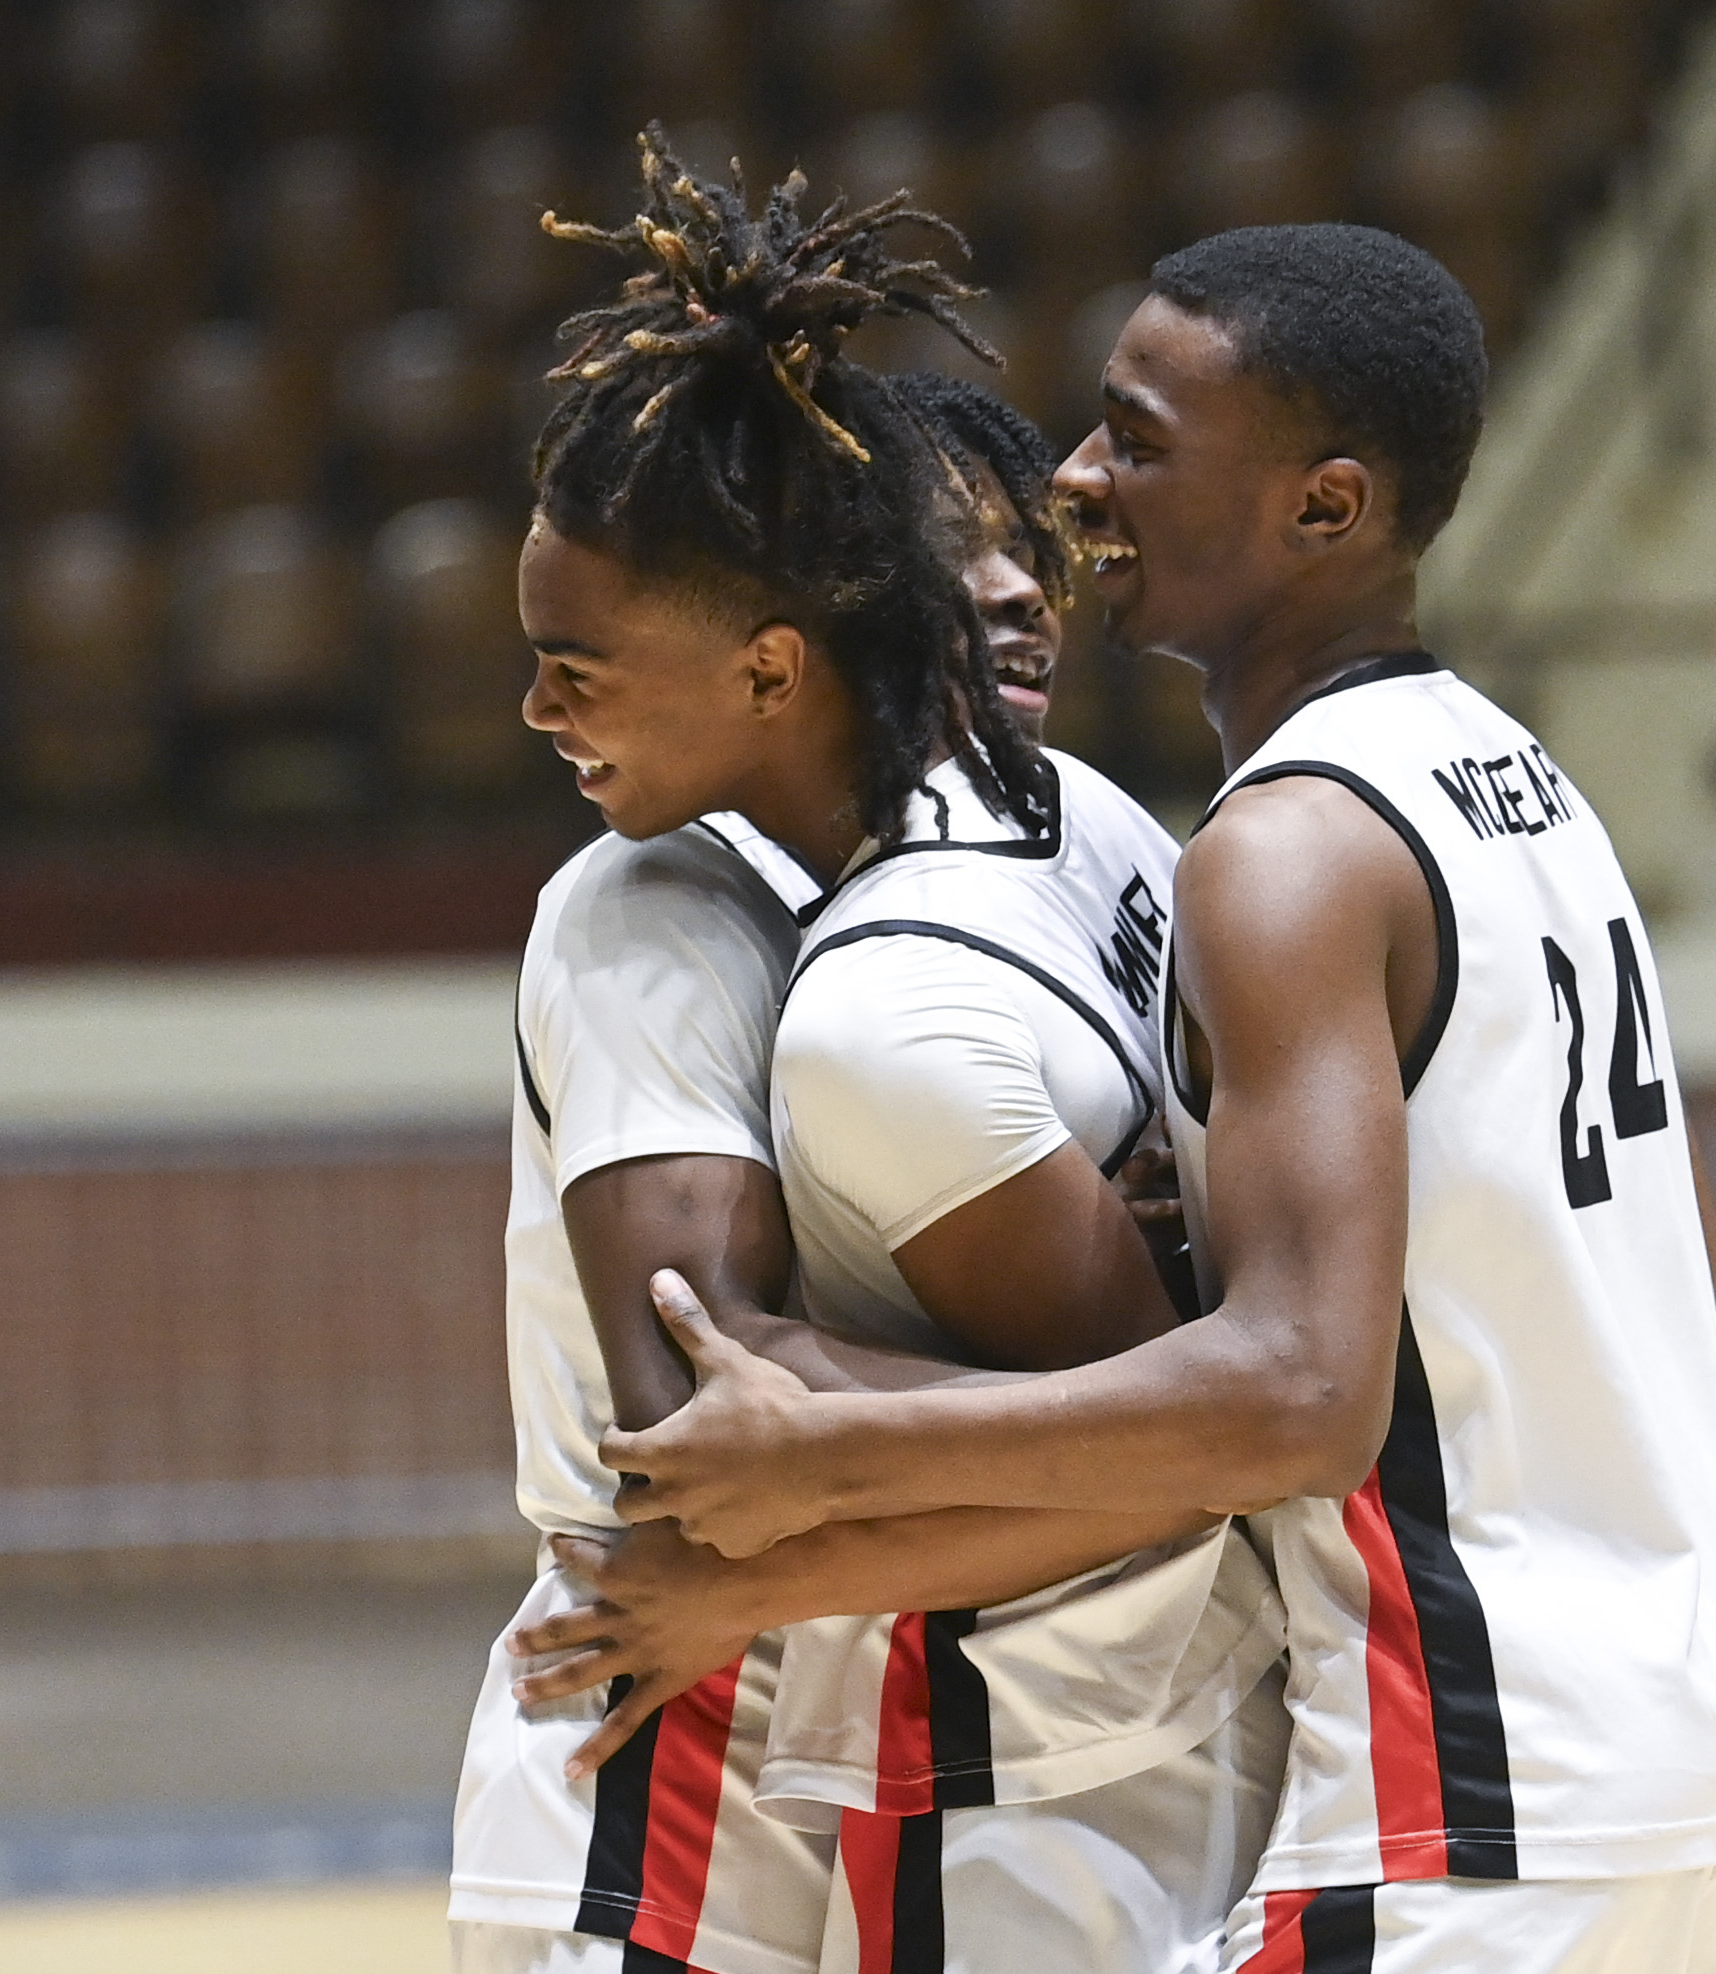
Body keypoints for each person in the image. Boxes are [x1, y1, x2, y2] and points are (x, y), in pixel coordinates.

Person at [600, 222, 1716, 1971]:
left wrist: (837, 1447)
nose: (1075, 477)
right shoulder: (1519, 784)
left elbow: (1300, 1396)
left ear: (1324, 508)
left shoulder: (1276, 853)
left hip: (1486, 1790)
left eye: (1138, 436)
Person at [479, 133, 1288, 1974]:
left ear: (774, 664)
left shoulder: (1022, 851)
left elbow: (1135, 1410)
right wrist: (1190, 1324)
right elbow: (694, 1442)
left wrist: (1199, 1331)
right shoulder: (644, 914)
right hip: (676, 1744)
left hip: (916, 1725)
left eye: (574, 660)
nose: (532, 708)